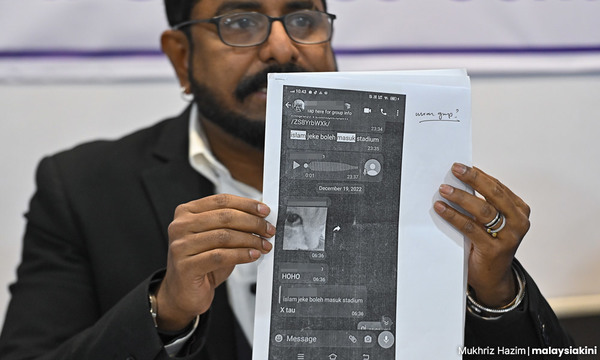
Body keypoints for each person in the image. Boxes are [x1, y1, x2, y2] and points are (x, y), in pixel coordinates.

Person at [0, 0, 575, 359]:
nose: (281, 45)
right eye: (240, 21)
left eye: (302, 18)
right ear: (181, 57)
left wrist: (497, 294)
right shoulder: (82, 186)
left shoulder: (424, 171)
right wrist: (165, 309)